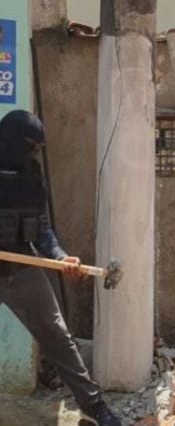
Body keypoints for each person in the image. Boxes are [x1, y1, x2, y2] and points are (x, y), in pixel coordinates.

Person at [0, 110, 121, 426]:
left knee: (57, 336)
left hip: (19, 269)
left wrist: (60, 256)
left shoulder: (30, 175)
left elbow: (41, 228)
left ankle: (92, 407)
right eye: (29, 146)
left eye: (37, 148)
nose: (33, 153)